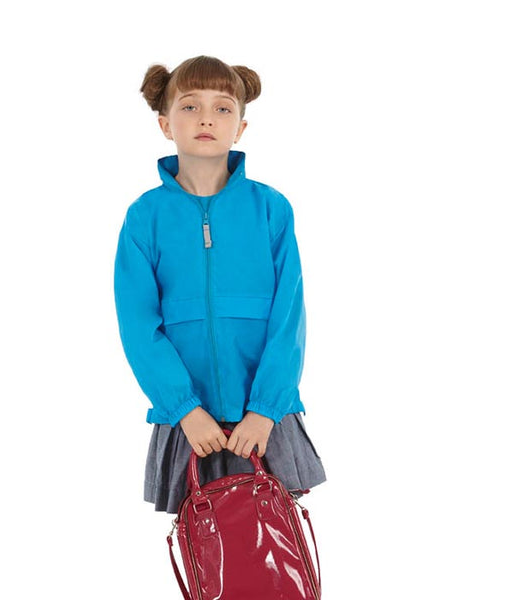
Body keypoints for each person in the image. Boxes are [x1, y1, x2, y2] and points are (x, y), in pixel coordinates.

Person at [113, 55, 326, 514]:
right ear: (165, 124)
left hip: (264, 420)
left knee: (273, 544)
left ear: (240, 128)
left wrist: (266, 408)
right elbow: (138, 326)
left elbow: (289, 319)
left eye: (222, 108)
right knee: (204, 546)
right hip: (189, 424)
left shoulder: (271, 209)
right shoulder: (144, 218)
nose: (206, 118)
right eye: (190, 106)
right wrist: (185, 409)